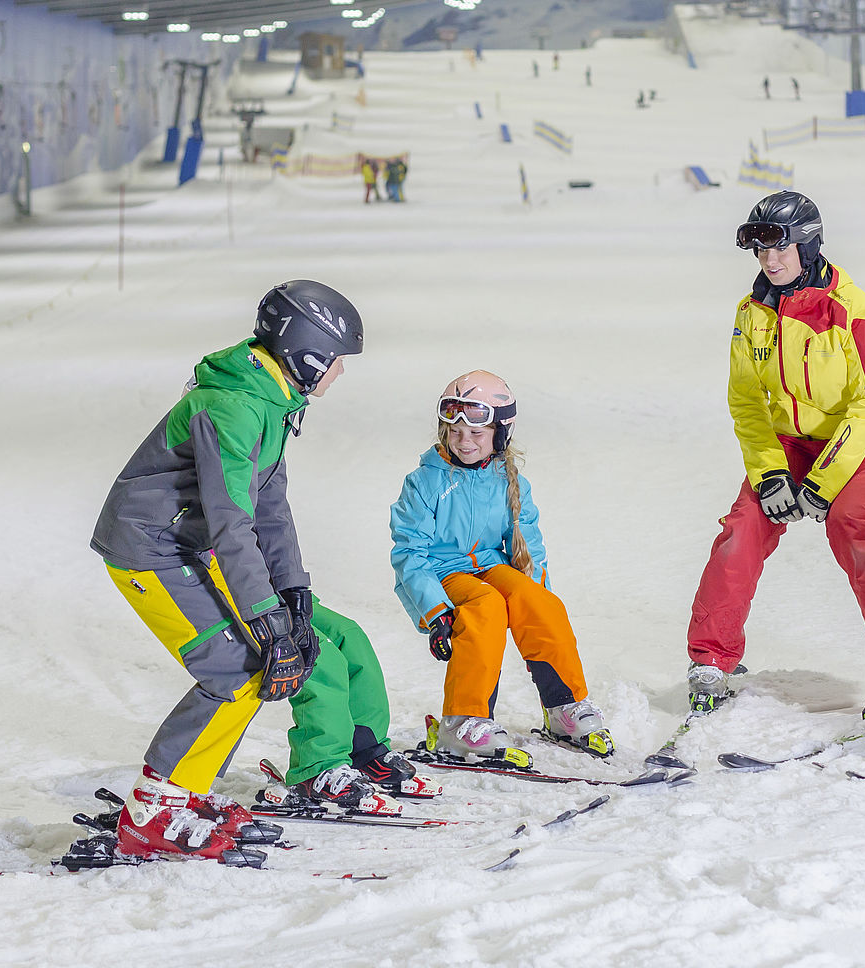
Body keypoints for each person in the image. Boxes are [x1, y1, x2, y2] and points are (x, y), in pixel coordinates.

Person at [91, 281, 390, 862]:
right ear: (308, 353)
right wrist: (267, 621)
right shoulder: (236, 407)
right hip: (149, 549)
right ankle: (155, 810)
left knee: (250, 665)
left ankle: (182, 793)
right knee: (237, 667)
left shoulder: (272, 400)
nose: (340, 374)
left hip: (185, 545)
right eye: (336, 361)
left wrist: (293, 593)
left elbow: (269, 507)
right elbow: (233, 524)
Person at [685, 192, 865, 722]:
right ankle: (712, 659)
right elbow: (747, 401)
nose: (770, 262)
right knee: (743, 529)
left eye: (783, 249)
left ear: (810, 245)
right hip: (789, 442)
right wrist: (770, 471)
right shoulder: (752, 312)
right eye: (762, 252)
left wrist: (821, 484)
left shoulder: (853, 312)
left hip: (860, 438)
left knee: (853, 526)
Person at [389, 371, 612, 764]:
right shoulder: (425, 483)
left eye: (476, 433)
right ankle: (463, 721)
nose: (464, 441)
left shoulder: (510, 481)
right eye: (455, 432)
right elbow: (410, 552)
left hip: (490, 566)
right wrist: (435, 612)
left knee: (539, 601)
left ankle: (565, 707)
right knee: (485, 607)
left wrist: (535, 591)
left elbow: (530, 544)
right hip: (443, 574)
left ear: (500, 433)